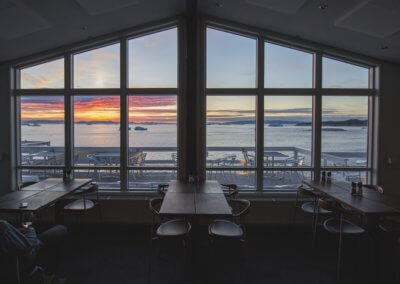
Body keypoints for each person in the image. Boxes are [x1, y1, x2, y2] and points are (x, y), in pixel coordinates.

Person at [0, 220, 67, 283]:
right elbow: (28, 245)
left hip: (5, 263)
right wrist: (31, 231)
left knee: (48, 244)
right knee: (61, 229)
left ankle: (48, 274)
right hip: (20, 261)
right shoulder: (2, 225)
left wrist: (16, 233)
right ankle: (51, 275)